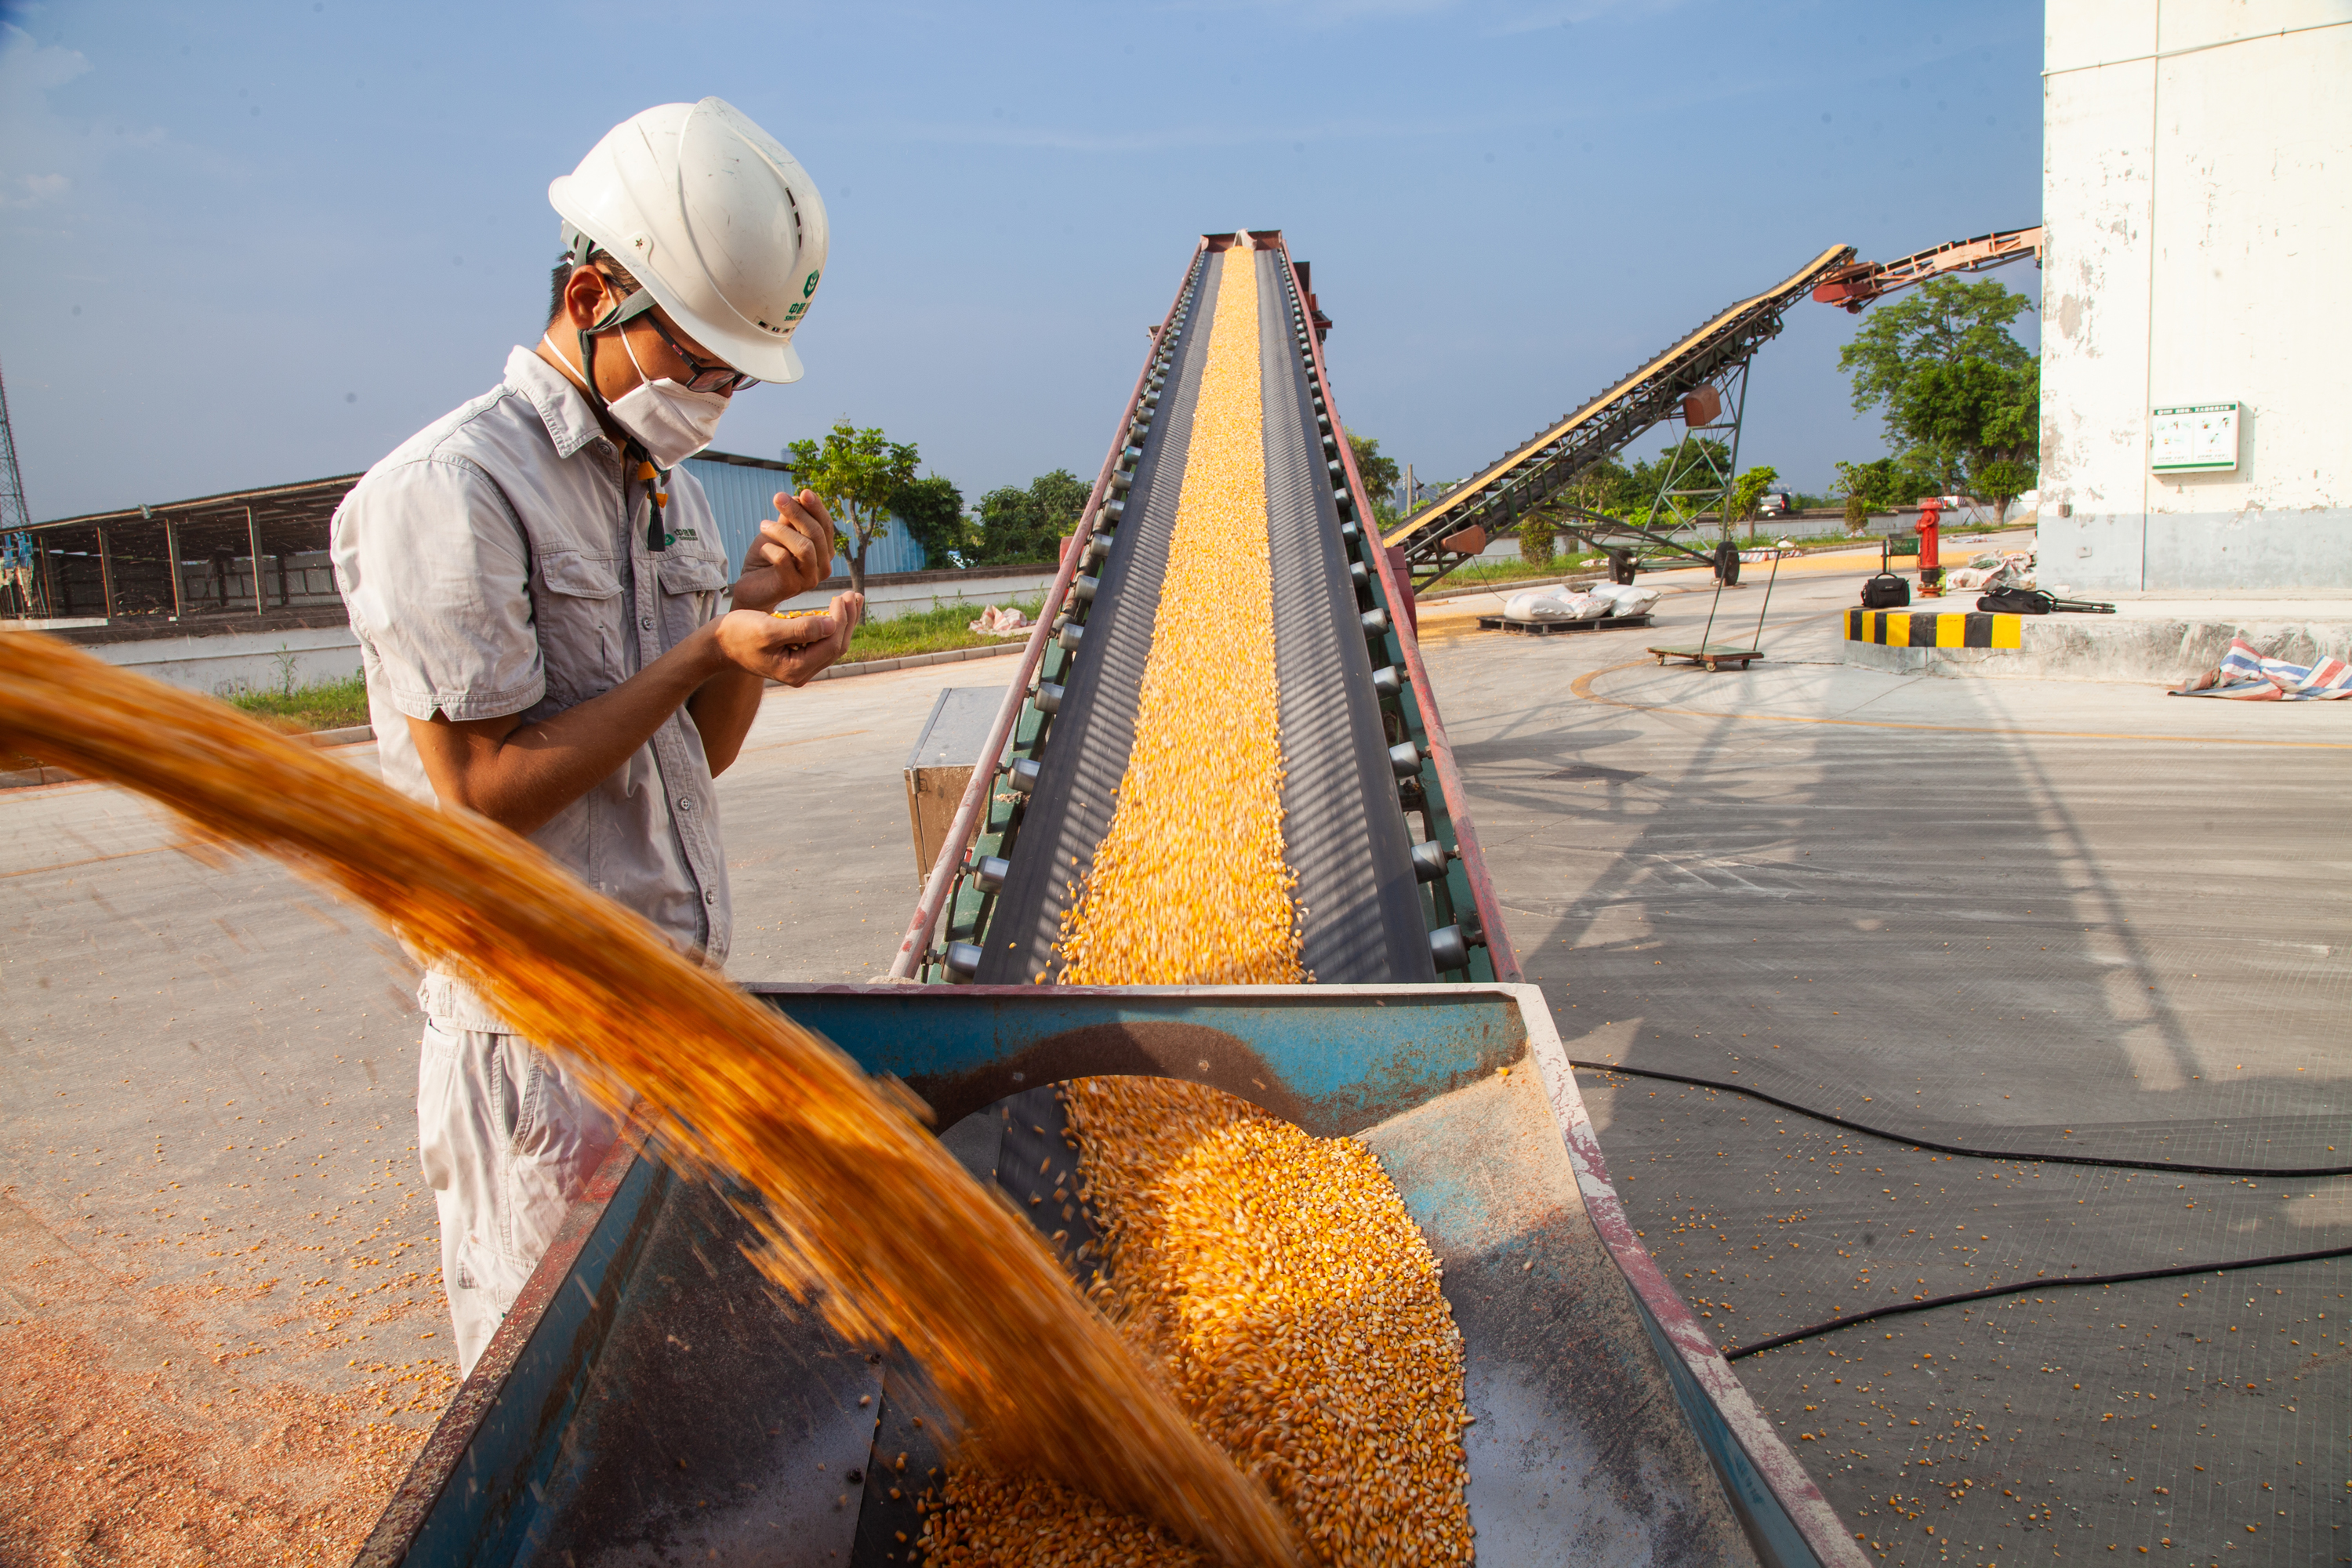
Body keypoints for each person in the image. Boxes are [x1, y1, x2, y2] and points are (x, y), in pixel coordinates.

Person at [329, 98, 862, 1374]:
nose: (715, 400)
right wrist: (698, 650)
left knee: (670, 1383)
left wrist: (754, 614)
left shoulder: (660, 490)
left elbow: (694, 756)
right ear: (588, 297)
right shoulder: (454, 491)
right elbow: (481, 788)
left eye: (735, 376)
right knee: (560, 1391)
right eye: (698, 363)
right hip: (544, 1042)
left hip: (674, 1010)